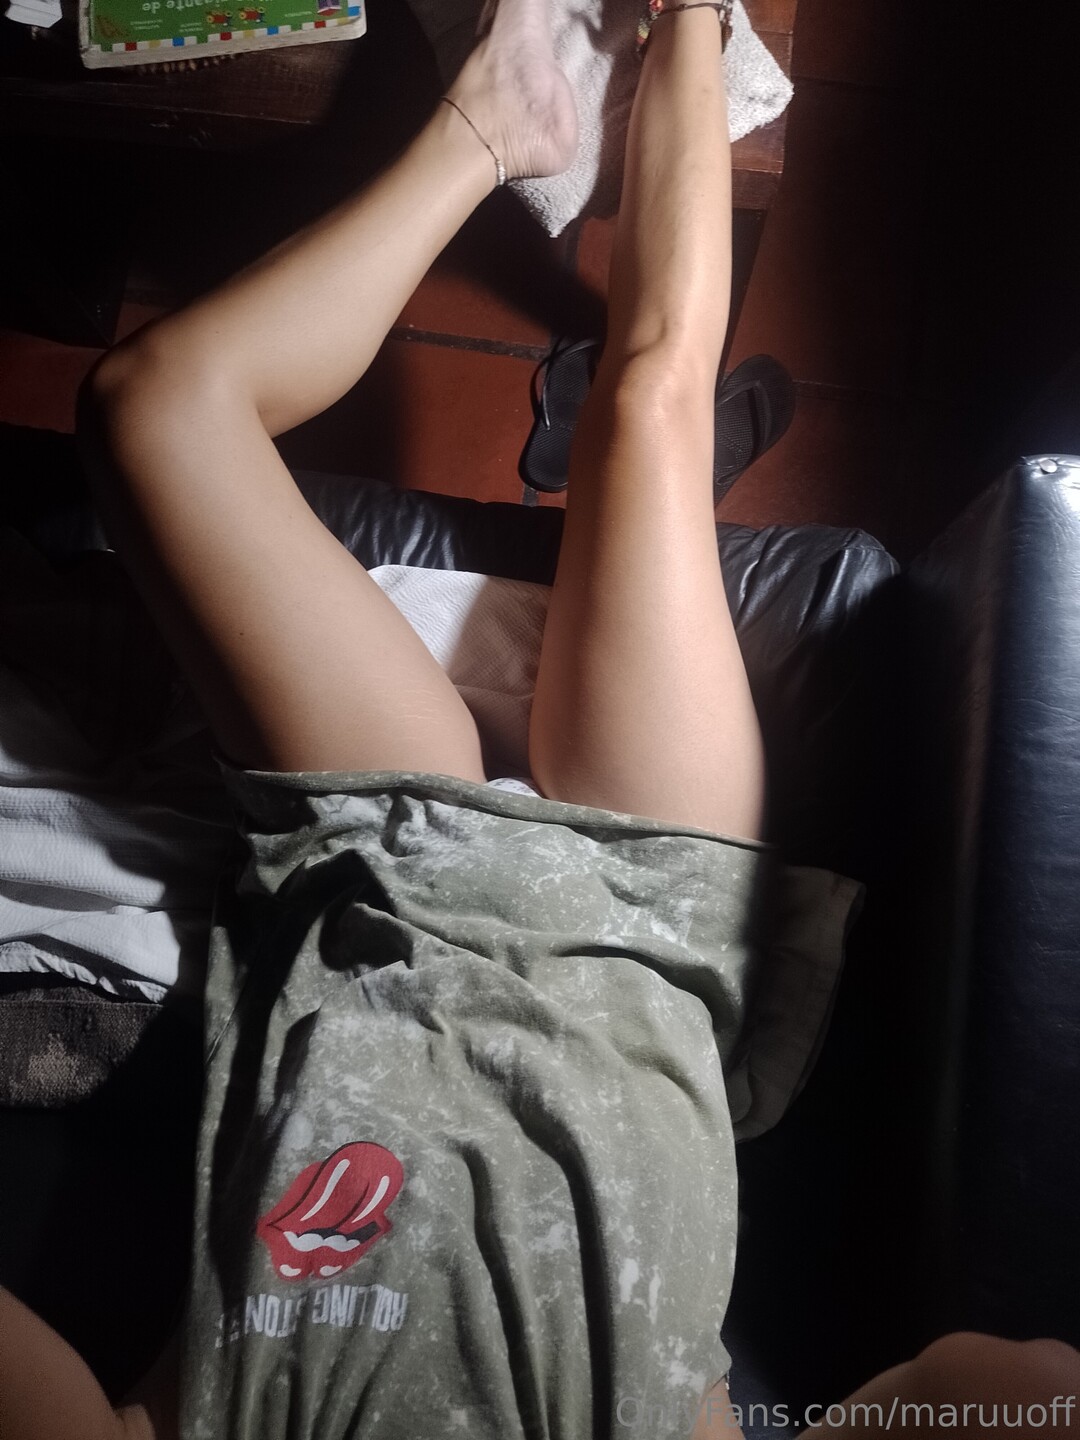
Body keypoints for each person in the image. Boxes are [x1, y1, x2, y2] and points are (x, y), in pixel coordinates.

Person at [1, 0, 1078, 1437]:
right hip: (644, 904)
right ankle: (689, 17)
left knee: (150, 409)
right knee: (649, 405)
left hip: (379, 855)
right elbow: (1022, 1390)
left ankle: (500, 117)